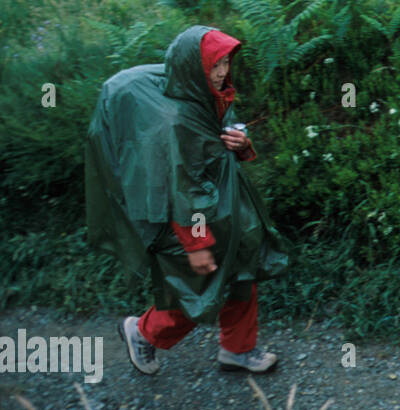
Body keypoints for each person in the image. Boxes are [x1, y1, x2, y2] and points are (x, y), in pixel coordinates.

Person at [85, 25, 289, 375]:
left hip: (224, 207)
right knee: (198, 288)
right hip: (192, 221)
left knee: (241, 271)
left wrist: (242, 145)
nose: (223, 72)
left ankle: (238, 350)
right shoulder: (175, 121)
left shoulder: (203, 92)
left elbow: (221, 136)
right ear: (194, 68)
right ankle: (143, 333)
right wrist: (197, 244)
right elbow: (180, 187)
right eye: (215, 65)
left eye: (225, 62)